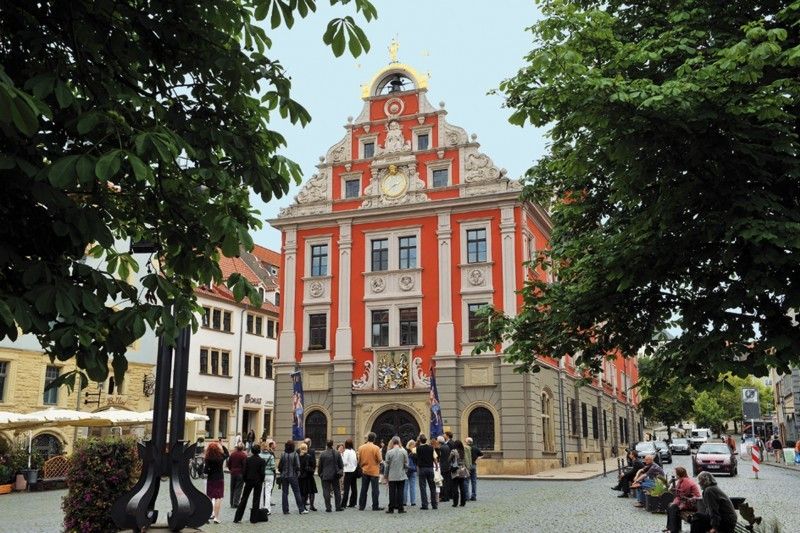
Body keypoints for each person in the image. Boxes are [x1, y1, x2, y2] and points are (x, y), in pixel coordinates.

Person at [233, 443, 266, 523]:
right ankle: (254, 519)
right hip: (258, 481)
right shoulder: (262, 461)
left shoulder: (247, 460)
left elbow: (244, 471)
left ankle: (237, 518)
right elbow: (262, 473)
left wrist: (245, 479)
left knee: (244, 499)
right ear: (259, 451)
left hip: (249, 480)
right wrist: (261, 480)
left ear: (252, 451)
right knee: (256, 499)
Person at [664, 466, 701, 533]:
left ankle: (673, 530)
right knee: (671, 505)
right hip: (686, 501)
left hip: (692, 503)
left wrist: (675, 503)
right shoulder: (682, 480)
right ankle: (669, 527)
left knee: (673, 507)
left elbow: (682, 495)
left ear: (678, 474)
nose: (675, 475)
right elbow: (679, 495)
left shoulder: (686, 482)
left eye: (675, 473)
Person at [278, 440, 307, 515]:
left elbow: (280, 466)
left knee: (284, 493)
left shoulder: (283, 454)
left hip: (284, 476)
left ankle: (285, 510)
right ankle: (301, 509)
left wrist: (282, 473)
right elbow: (298, 466)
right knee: (297, 492)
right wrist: (298, 474)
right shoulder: (295, 454)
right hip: (293, 475)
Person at [357, 432, 383, 511]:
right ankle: (375, 506)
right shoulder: (376, 448)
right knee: (375, 490)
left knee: (363, 489)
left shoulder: (361, 448)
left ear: (368, 438)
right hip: (374, 471)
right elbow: (380, 460)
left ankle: (361, 506)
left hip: (365, 470)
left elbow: (358, 460)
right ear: (374, 439)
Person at [318, 439, 344, 512]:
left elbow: (320, 466)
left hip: (325, 475)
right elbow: (341, 465)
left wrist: (320, 474)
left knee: (326, 491)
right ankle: (338, 507)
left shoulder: (323, 454)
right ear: (332, 444)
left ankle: (328, 508)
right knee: (337, 491)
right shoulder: (337, 453)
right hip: (335, 475)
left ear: (326, 445)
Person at [384, 436, 408, 514]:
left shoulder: (389, 452)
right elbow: (406, 464)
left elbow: (386, 466)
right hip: (401, 475)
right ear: (399, 442)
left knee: (392, 492)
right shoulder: (404, 451)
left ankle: (391, 508)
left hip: (392, 475)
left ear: (392, 442)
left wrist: (385, 476)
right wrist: (404, 470)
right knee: (401, 492)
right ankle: (400, 508)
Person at [203, 441, 225, 524]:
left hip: (211, 479)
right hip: (219, 478)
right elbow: (226, 453)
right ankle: (216, 517)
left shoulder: (208, 458)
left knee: (209, 497)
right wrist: (222, 446)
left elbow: (205, 471)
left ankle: (208, 517)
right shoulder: (221, 457)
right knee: (218, 498)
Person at [414, 434, 437, 510]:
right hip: (430, 468)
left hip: (422, 469)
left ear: (420, 440)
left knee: (423, 487)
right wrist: (436, 465)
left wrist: (417, 468)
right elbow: (434, 457)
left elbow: (417, 458)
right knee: (432, 487)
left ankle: (425, 504)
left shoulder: (418, 448)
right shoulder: (431, 447)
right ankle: (434, 504)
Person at [298, 442, 318, 511]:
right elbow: (312, 465)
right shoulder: (308, 456)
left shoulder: (298, 456)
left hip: (301, 477)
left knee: (303, 492)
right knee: (311, 491)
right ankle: (311, 506)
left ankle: (302, 506)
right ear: (306, 448)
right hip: (309, 476)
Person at [448, 440, 469, 507]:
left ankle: (455, 503)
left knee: (455, 487)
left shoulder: (453, 451)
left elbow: (449, 459)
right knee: (462, 487)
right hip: (462, 469)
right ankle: (463, 502)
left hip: (456, 470)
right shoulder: (463, 451)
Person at [227, 442, 247, 508]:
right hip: (240, 473)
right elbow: (245, 466)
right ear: (243, 448)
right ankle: (235, 503)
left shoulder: (232, 454)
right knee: (238, 488)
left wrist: (231, 469)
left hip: (233, 473)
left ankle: (231, 502)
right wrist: (244, 474)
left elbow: (229, 463)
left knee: (232, 488)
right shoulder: (243, 455)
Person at [259, 439, 277, 510]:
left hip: (261, 475)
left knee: (260, 492)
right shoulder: (271, 456)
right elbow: (273, 467)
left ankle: (260, 507)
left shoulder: (259, 456)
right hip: (269, 475)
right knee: (268, 492)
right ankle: (267, 508)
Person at [341, 438, 359, 508]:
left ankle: (343, 504)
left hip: (348, 471)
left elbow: (344, 462)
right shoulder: (353, 451)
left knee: (346, 488)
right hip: (354, 470)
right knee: (354, 488)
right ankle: (353, 503)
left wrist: (342, 458)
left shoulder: (346, 452)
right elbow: (355, 461)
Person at [466, 436, 483, 501]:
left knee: (466, 481)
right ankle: (474, 496)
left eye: (465, 441)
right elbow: (482, 454)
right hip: (473, 465)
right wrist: (476, 459)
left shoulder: (466, 448)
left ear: (467, 442)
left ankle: (467, 496)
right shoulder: (475, 448)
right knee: (474, 481)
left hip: (467, 466)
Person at [437, 435, 451, 502]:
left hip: (442, 466)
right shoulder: (447, 446)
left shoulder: (441, 448)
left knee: (443, 482)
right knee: (447, 482)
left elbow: (439, 457)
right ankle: (447, 496)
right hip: (447, 466)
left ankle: (443, 497)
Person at [404, 439, 417, 507]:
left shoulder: (405, 451)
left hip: (406, 470)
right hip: (413, 470)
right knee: (413, 486)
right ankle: (413, 501)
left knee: (405, 486)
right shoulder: (415, 452)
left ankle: (404, 501)